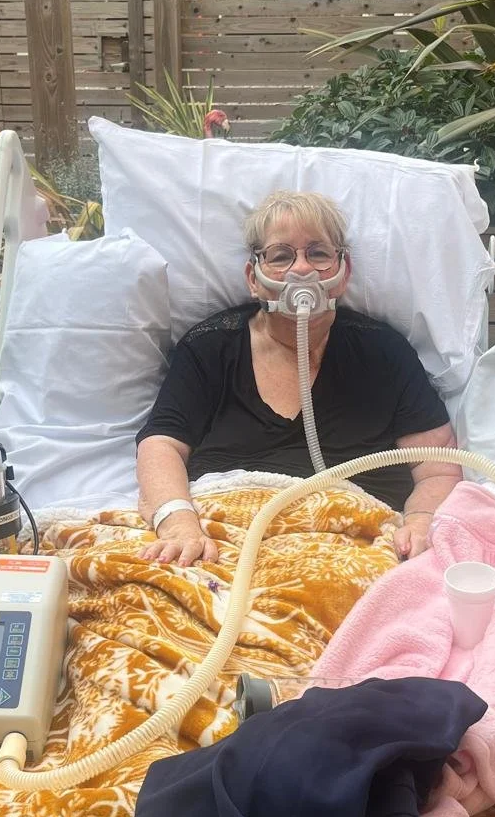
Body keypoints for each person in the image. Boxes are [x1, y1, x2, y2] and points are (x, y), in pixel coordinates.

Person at [136, 190, 461, 568]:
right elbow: (160, 446)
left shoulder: (384, 352)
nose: (302, 270)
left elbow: (437, 464)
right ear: (253, 278)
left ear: (344, 274)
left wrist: (420, 522)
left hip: (353, 548)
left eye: (318, 254)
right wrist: (178, 525)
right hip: (223, 546)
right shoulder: (209, 349)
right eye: (281, 256)